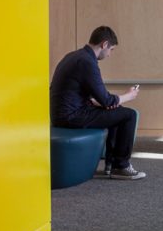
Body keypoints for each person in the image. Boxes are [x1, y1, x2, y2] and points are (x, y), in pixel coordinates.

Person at [50, 26, 144, 180]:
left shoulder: (74, 56)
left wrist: (96, 102)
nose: (109, 55)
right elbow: (106, 100)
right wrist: (129, 95)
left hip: (63, 113)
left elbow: (77, 92)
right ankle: (121, 166)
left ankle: (111, 165)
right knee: (129, 115)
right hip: (70, 116)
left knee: (116, 111)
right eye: (111, 49)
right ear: (104, 44)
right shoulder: (87, 62)